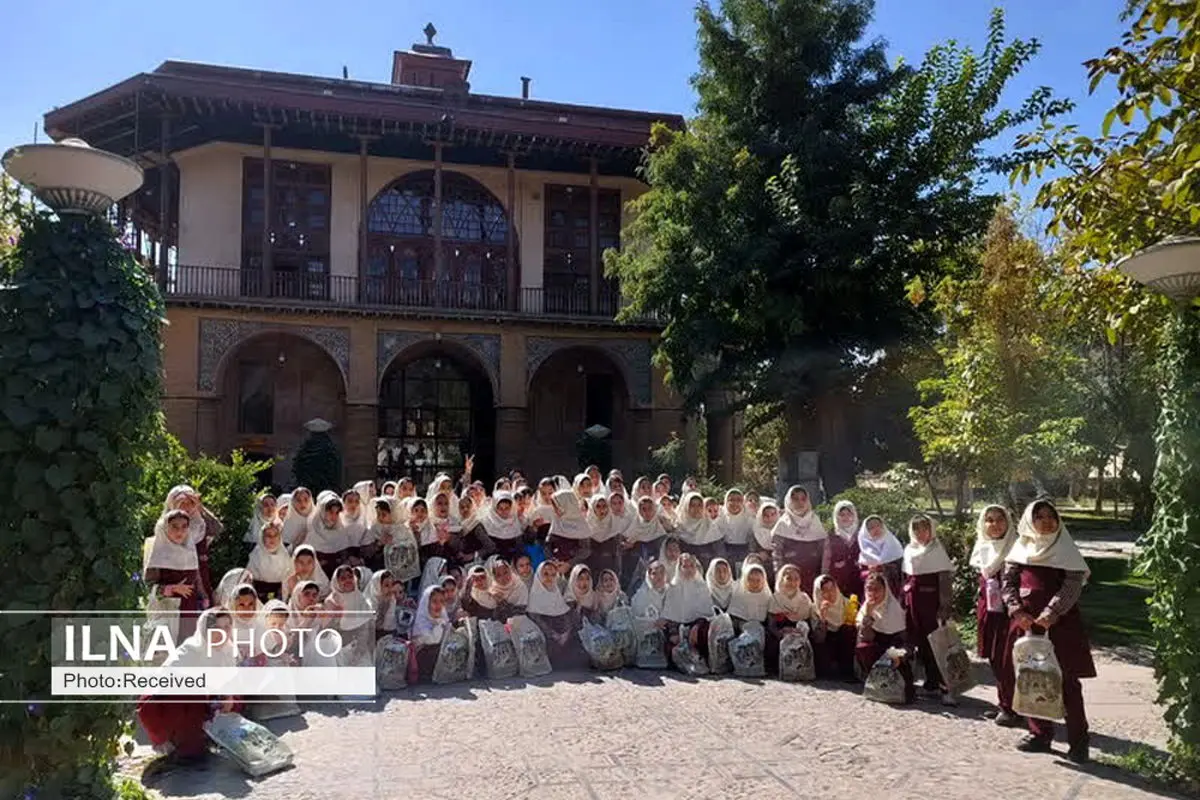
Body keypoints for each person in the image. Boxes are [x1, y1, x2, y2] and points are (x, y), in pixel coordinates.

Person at [1002, 500, 1094, 763]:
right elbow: (1007, 582)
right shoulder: (1020, 548)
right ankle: (1040, 734)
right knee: (1031, 677)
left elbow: (1072, 584)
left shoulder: (1066, 549)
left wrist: (1052, 613)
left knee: (1066, 683)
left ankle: (1078, 741)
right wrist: (1016, 611)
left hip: (1060, 626)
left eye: (1050, 516)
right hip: (1026, 625)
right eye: (1039, 516)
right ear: (1030, 521)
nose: (1045, 521)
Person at [136, 608, 239, 771]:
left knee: (237, 697)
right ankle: (182, 743)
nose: (223, 633)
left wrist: (228, 696)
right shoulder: (191, 650)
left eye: (227, 627)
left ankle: (208, 732)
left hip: (202, 695)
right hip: (168, 702)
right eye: (217, 628)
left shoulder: (227, 650)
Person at [970, 504, 1020, 726]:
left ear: (1008, 522)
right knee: (993, 656)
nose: (994, 524)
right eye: (989, 520)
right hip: (988, 609)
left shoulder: (1016, 548)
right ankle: (1004, 703)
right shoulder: (983, 547)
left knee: (1007, 658)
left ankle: (1013, 708)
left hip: (1009, 612)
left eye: (999, 519)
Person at [902, 514, 956, 706]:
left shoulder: (937, 551)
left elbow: (944, 582)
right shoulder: (910, 550)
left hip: (931, 604)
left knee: (938, 646)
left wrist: (944, 607)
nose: (920, 533)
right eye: (916, 529)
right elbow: (906, 580)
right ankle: (931, 682)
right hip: (913, 603)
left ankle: (946, 687)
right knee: (921, 645)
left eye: (924, 529)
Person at [856, 572, 915, 704]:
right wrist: (869, 614)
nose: (873, 593)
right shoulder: (866, 607)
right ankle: (873, 679)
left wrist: (897, 655)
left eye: (877, 589)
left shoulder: (894, 609)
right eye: (869, 589)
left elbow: (906, 642)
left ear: (885, 590)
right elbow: (866, 636)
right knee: (863, 647)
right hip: (878, 648)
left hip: (895, 649)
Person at [144, 509, 204, 640]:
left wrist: (203, 597)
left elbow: (196, 580)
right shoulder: (157, 553)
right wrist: (172, 589)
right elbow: (147, 588)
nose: (180, 531)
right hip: (166, 611)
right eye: (174, 527)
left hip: (189, 609)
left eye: (184, 527)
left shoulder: (190, 551)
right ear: (165, 527)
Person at [163, 485, 223, 604]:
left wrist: (200, 507)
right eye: (182, 503)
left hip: (202, 583)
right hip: (177, 588)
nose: (186, 506)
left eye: (190, 502)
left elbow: (217, 528)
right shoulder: (165, 528)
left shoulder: (200, 525)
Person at [527, 561, 587, 669]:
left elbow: (565, 616)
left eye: (553, 575)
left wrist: (565, 634)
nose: (549, 578)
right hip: (547, 638)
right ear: (539, 575)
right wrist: (554, 635)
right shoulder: (534, 597)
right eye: (545, 574)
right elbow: (537, 622)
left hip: (562, 637)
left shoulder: (557, 593)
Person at [771, 486, 826, 593]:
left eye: (803, 499)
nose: (799, 502)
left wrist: (823, 578)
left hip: (812, 578)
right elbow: (777, 557)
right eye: (795, 499)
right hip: (790, 580)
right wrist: (780, 580)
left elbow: (824, 554)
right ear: (788, 501)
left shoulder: (815, 521)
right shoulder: (782, 525)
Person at [662, 553, 714, 662]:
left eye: (692, 566)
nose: (688, 570)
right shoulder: (673, 587)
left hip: (695, 628)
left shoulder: (702, 587)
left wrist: (696, 627)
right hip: (677, 627)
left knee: (702, 632)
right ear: (679, 568)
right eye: (685, 566)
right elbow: (669, 614)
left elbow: (707, 614)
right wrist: (674, 632)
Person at [765, 563, 813, 670]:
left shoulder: (804, 599)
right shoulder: (775, 598)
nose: (793, 582)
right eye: (789, 578)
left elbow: (808, 622)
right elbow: (771, 625)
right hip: (780, 635)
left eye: (796, 579)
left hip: (800, 634)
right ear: (782, 580)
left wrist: (797, 632)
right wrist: (780, 634)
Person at [811, 574, 856, 681]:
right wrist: (822, 617)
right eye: (825, 590)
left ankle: (847, 671)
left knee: (847, 630)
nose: (830, 593)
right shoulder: (814, 608)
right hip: (827, 641)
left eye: (832, 588)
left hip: (843, 642)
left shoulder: (846, 603)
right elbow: (818, 638)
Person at [621, 496, 667, 588]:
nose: (647, 512)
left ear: (654, 509)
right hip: (636, 576)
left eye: (650, 508)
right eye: (643, 509)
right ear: (639, 510)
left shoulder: (661, 530)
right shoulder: (632, 529)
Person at [857, 514, 904, 598]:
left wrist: (884, 568)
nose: (876, 529)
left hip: (893, 591)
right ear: (866, 531)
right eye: (871, 527)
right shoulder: (864, 550)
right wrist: (870, 572)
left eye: (878, 525)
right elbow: (860, 575)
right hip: (872, 594)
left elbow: (902, 571)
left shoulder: (894, 546)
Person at [546, 480, 591, 565]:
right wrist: (553, 561)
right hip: (556, 567)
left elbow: (585, 551)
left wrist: (569, 564)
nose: (555, 510)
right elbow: (548, 545)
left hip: (575, 568)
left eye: (558, 506)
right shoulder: (557, 521)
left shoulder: (582, 524)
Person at [824, 500, 862, 600]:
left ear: (854, 515)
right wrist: (825, 579)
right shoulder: (831, 537)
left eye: (849, 514)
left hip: (859, 581)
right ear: (836, 517)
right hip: (838, 581)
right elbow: (826, 560)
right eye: (842, 515)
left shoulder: (861, 535)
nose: (846, 518)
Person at [676, 491, 725, 569]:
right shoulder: (679, 529)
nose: (696, 509)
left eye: (699, 505)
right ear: (686, 507)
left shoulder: (712, 528)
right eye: (692, 505)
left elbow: (720, 559)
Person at [246, 519, 291, 601]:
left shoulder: (285, 556)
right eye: (268, 535)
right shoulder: (255, 556)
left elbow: (289, 578)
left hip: (280, 597)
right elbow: (250, 580)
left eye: (275, 535)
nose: (272, 538)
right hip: (259, 596)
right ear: (262, 537)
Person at [411, 585, 449, 682]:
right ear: (426, 603)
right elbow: (432, 639)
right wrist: (439, 623)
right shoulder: (421, 621)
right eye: (434, 601)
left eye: (442, 601)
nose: (438, 605)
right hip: (423, 661)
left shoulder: (443, 617)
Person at [479, 490, 525, 563]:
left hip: (512, 563)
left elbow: (519, 547)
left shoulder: (516, 522)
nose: (503, 511)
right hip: (490, 563)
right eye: (500, 508)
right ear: (494, 508)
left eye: (507, 508)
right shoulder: (485, 523)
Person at [726, 563, 773, 629]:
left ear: (763, 581)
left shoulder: (768, 598)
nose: (754, 583)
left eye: (758, 580)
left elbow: (771, 624)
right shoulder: (738, 596)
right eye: (751, 580)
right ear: (745, 580)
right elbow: (733, 621)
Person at [718, 489, 754, 569]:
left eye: (738, 500)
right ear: (726, 501)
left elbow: (753, 542)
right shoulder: (720, 518)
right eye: (731, 500)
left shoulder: (749, 519)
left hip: (745, 554)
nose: (735, 503)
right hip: (724, 553)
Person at [586, 495, 622, 576]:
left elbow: (617, 558)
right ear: (592, 508)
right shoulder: (586, 529)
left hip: (609, 575)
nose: (601, 509)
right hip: (590, 574)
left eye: (604, 506)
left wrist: (616, 576)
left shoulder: (614, 527)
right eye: (598, 506)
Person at [366, 569, 400, 639]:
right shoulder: (369, 604)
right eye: (386, 585)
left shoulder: (391, 599)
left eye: (392, 584)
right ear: (377, 586)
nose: (391, 589)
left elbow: (388, 626)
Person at [751, 501, 780, 580]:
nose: (769, 518)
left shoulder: (782, 530)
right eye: (766, 515)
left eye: (773, 514)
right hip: (761, 565)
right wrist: (758, 555)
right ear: (761, 516)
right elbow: (751, 550)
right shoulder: (756, 531)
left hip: (779, 564)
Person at [340, 489, 367, 563]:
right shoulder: (338, 521)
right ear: (343, 503)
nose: (353, 504)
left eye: (356, 501)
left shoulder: (364, 521)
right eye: (350, 501)